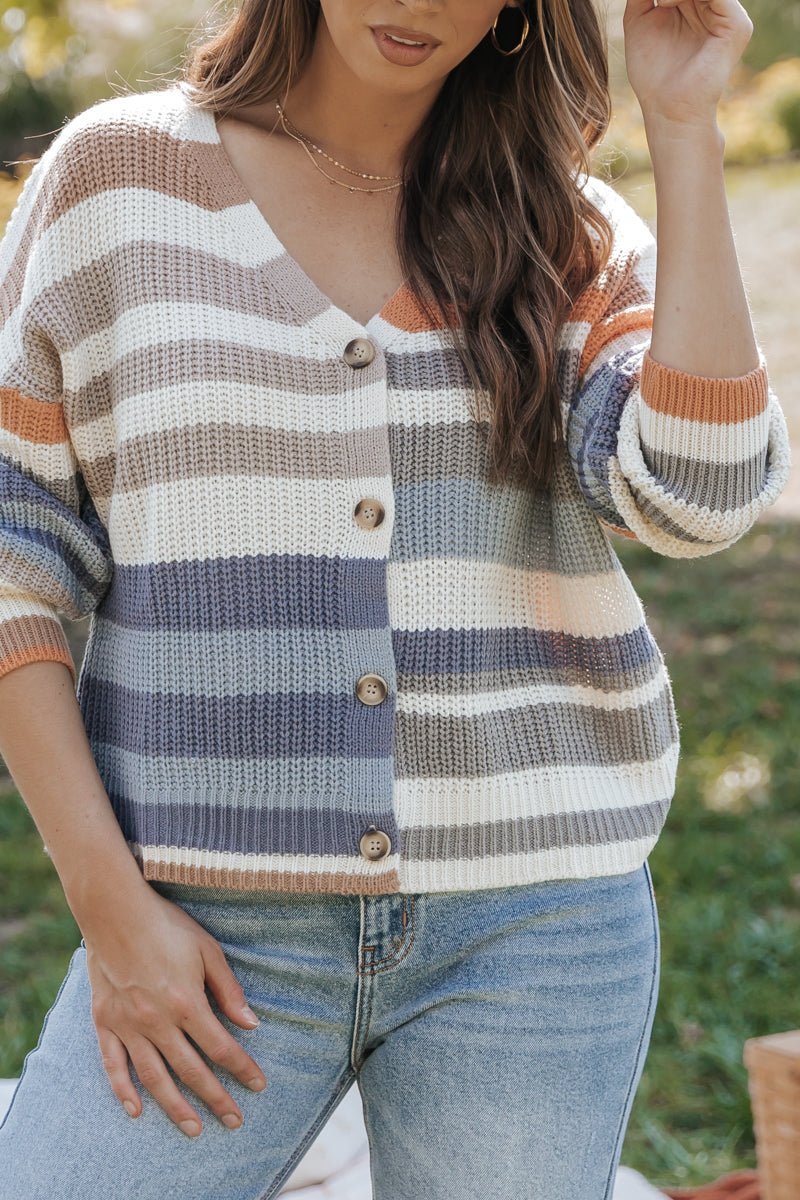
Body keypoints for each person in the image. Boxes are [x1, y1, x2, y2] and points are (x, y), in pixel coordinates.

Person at [0, 0, 790, 1197]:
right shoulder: (118, 182)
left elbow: (699, 494)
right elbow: (16, 565)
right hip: (210, 925)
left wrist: (681, 125)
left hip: (529, 929)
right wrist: (111, 912)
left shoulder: (561, 230)